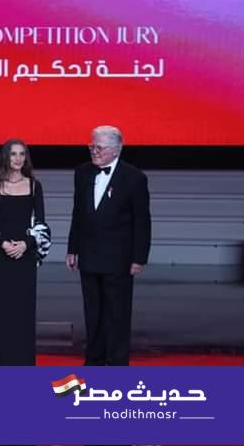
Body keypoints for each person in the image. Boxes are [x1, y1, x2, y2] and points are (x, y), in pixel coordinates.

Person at [66, 125, 151, 366]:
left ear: (116, 150)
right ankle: (94, 361)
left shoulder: (134, 178)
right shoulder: (82, 173)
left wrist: (139, 257)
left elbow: (142, 221)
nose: (94, 151)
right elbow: (78, 214)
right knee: (93, 313)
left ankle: (116, 364)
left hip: (119, 259)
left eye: (99, 148)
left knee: (117, 313)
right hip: (89, 256)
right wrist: (72, 248)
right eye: (91, 146)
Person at [0, 139, 45, 366]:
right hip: (2, 258)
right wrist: (3, 243)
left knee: (23, 313)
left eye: (22, 154)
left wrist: (26, 244)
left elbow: (41, 224)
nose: (18, 159)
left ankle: (23, 365)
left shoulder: (34, 186)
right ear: (5, 157)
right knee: (2, 313)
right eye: (13, 154)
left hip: (25, 259)